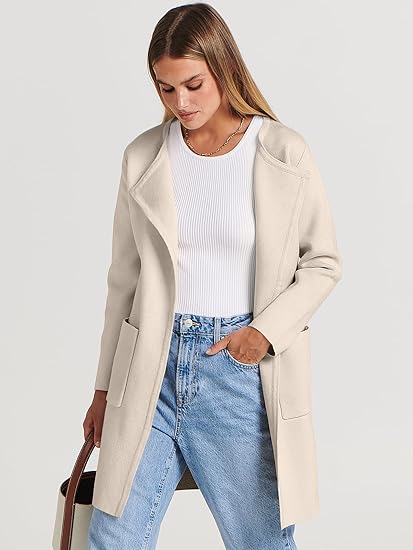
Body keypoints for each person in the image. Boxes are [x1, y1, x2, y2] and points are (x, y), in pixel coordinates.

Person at [83, 3, 342, 549]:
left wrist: (262, 333)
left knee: (259, 542)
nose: (181, 103)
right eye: (166, 88)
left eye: (193, 85)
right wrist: (104, 389)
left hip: (236, 373)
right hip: (149, 371)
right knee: (112, 537)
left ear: (223, 69)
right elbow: (123, 282)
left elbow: (322, 262)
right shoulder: (143, 157)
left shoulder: (282, 151)